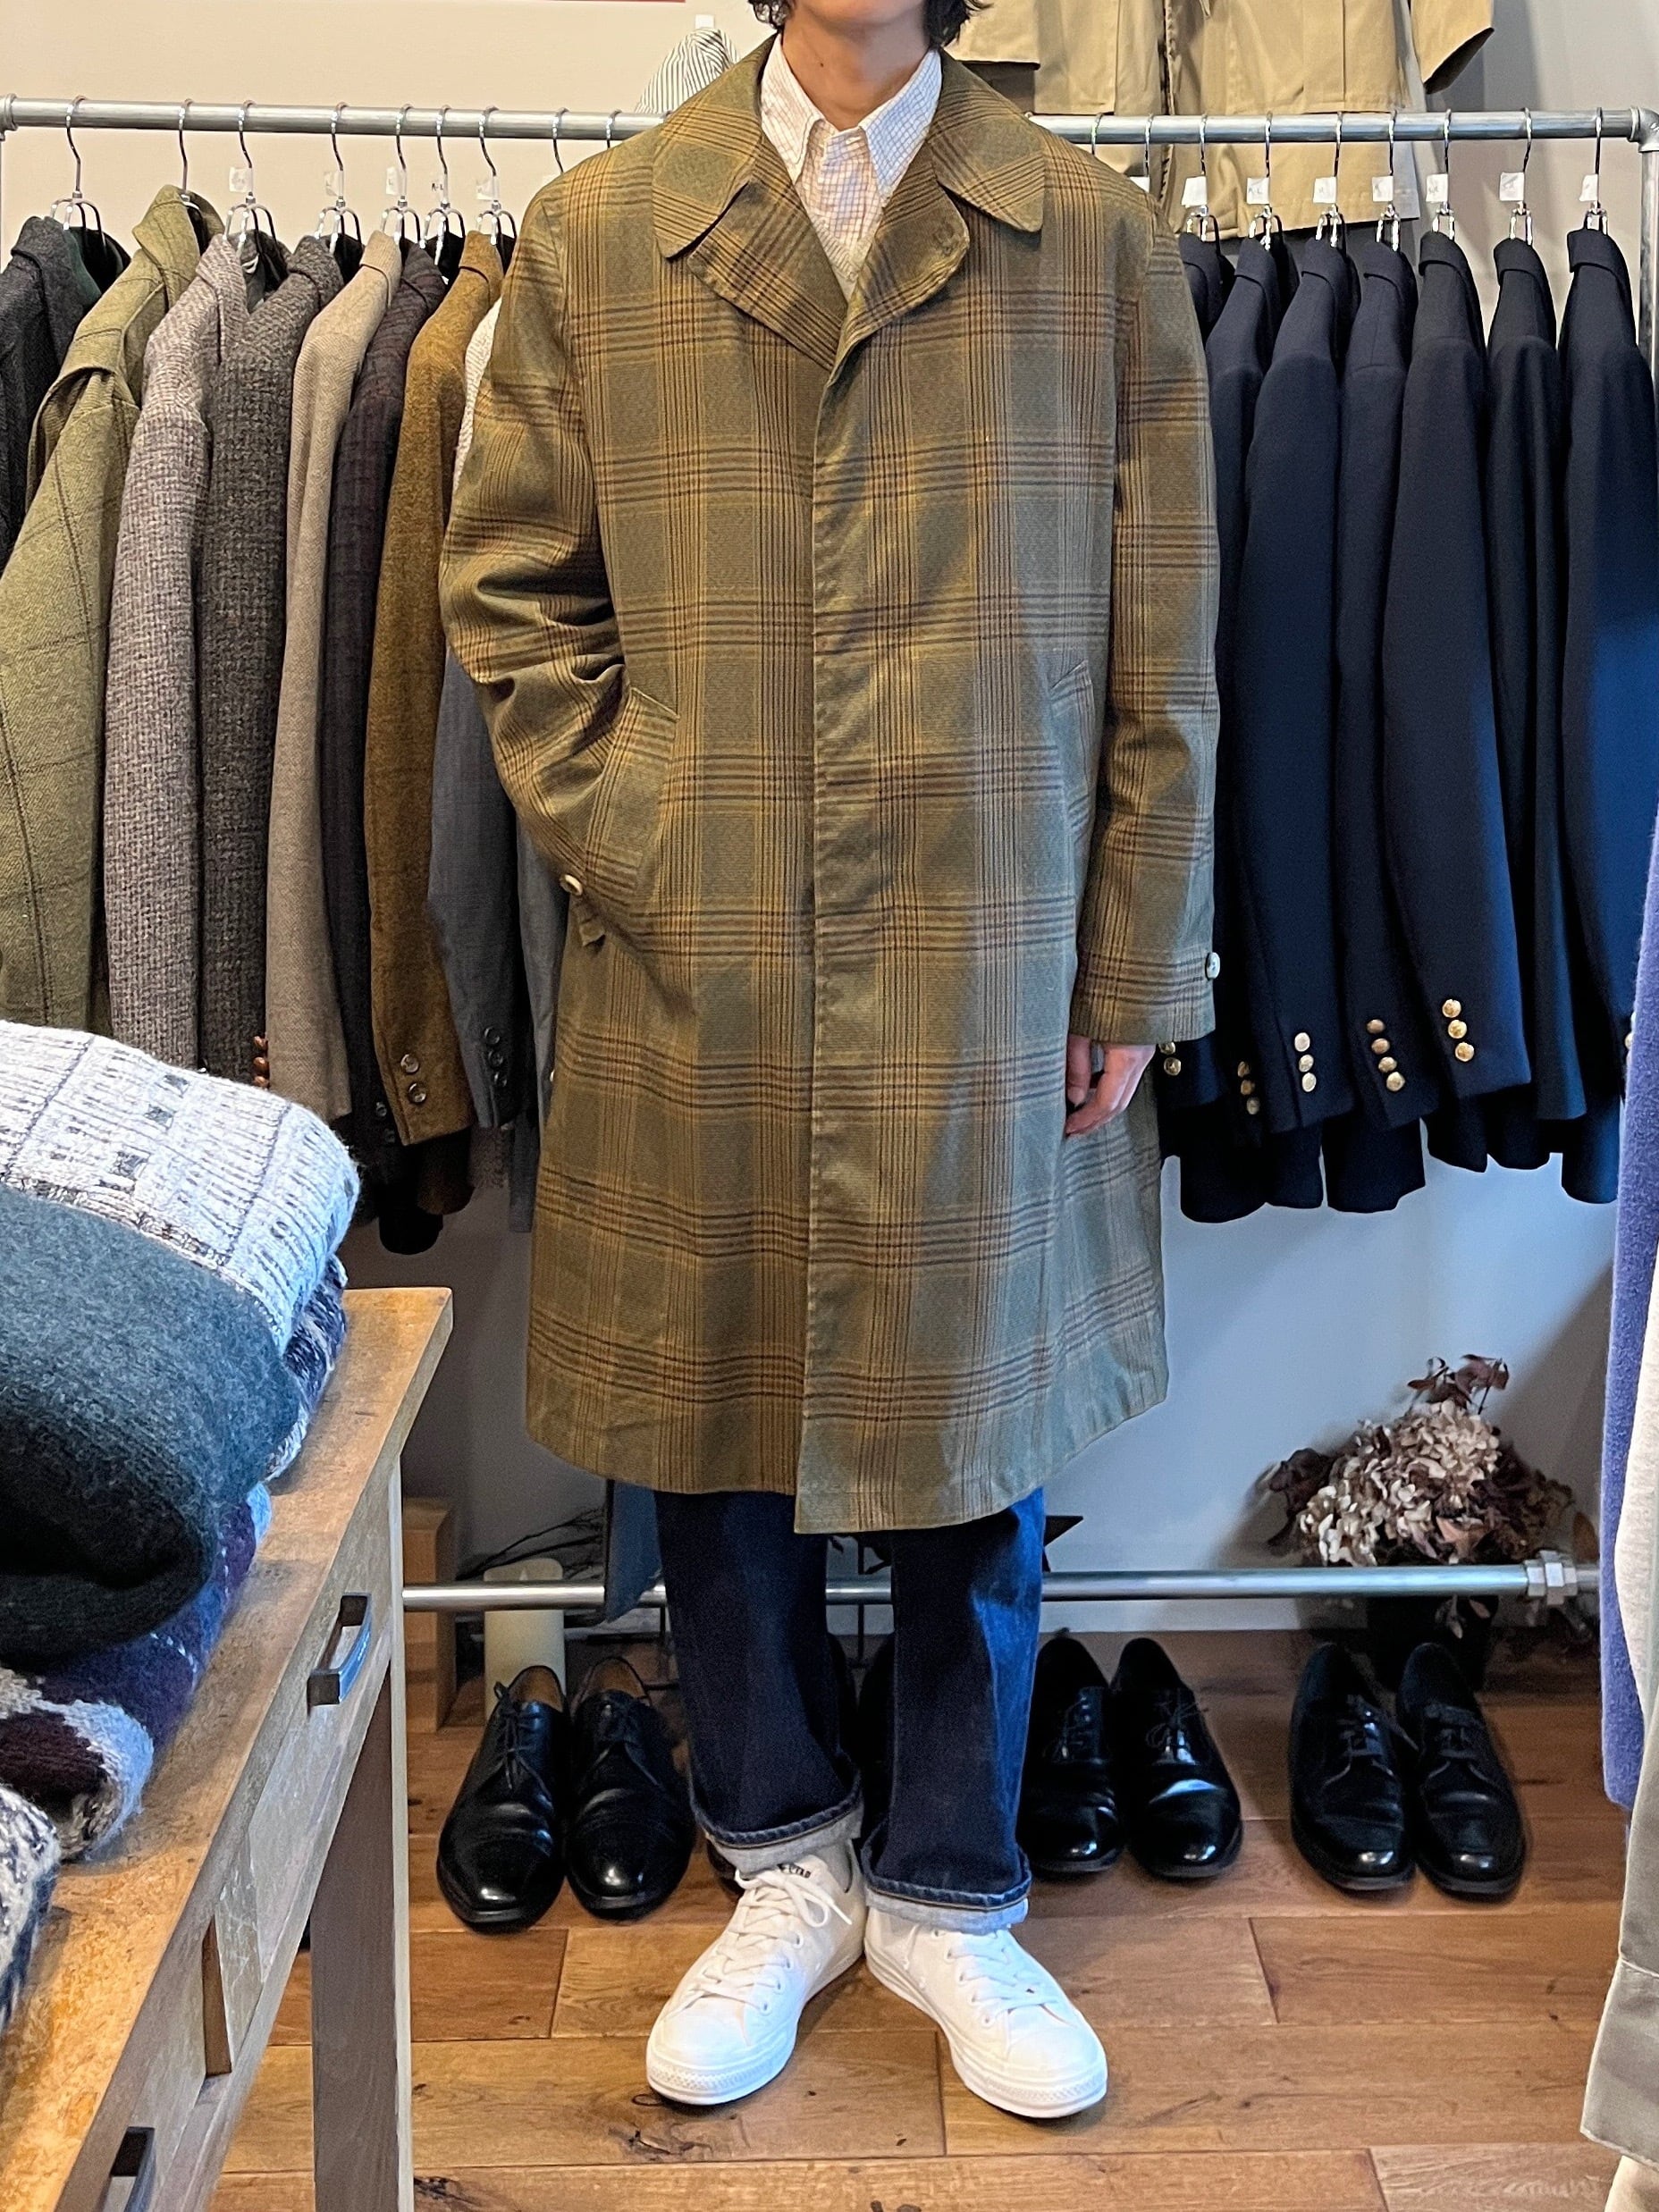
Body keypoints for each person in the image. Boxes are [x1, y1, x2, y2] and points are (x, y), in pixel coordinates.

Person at [442, 0, 1217, 2120]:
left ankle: (952, 1885)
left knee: (983, 1431)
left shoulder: (1090, 238)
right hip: (704, 951)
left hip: (995, 950)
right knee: (712, 1429)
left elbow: (1166, 648)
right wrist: (651, 832)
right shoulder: (603, 234)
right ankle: (780, 1853)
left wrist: (1129, 960)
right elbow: (512, 598)